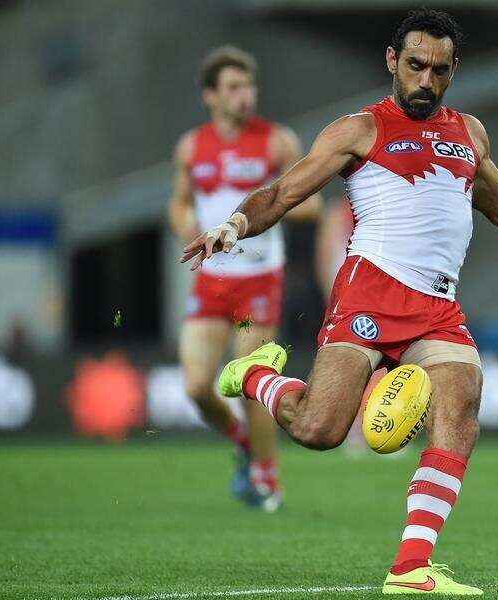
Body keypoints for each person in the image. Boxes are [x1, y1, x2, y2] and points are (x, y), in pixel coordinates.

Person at [181, 10, 498, 594]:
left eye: (438, 70)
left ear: (453, 70)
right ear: (393, 61)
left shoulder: (470, 133)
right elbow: (285, 191)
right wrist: (233, 226)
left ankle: (411, 567)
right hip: (370, 291)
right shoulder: (359, 130)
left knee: (461, 403)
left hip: (437, 306)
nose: (425, 80)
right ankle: (258, 375)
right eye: (415, 65)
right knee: (319, 430)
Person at [168, 46, 320, 511]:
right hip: (212, 279)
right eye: (233, 88)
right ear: (210, 95)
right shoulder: (192, 146)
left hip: (258, 278)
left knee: (251, 379)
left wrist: (266, 212)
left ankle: (266, 476)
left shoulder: (277, 142)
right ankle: (241, 443)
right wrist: (190, 231)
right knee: (196, 387)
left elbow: (311, 202)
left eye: (249, 86)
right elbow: (178, 202)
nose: (245, 96)